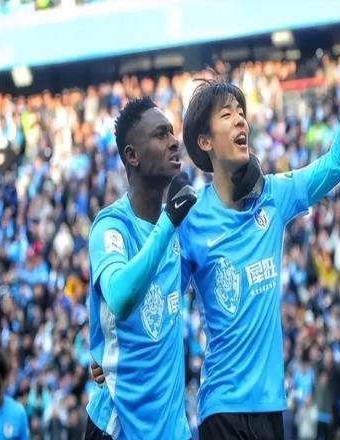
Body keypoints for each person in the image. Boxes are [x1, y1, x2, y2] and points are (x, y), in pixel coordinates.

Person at [179, 31, 340, 439]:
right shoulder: (191, 220)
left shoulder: (273, 195)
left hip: (271, 407)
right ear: (204, 141)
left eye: (241, 112)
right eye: (227, 115)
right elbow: (164, 301)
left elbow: (339, 162)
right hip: (221, 409)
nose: (241, 120)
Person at [85, 96, 196, 439]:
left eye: (172, 132)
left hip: (171, 430)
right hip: (119, 426)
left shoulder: (176, 226)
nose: (174, 141)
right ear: (132, 155)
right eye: (161, 135)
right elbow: (120, 298)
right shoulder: (111, 227)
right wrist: (169, 221)